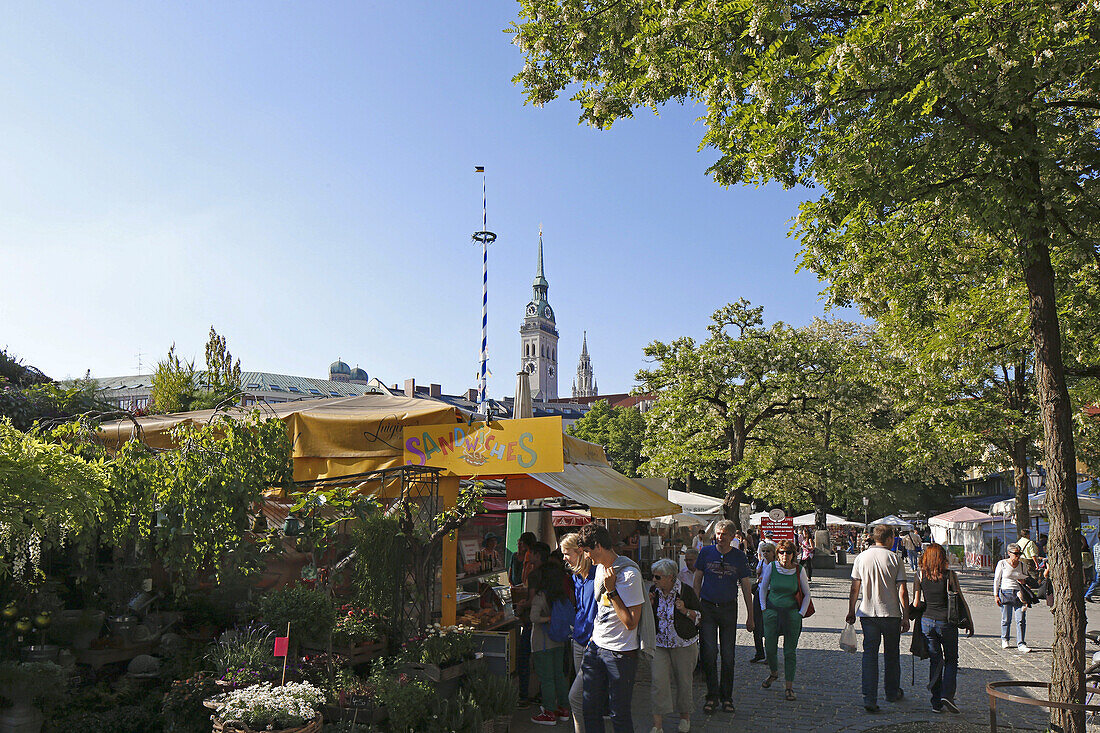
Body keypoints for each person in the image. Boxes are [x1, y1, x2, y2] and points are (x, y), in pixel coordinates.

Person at [577, 522, 652, 733]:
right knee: (590, 708)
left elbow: (631, 623)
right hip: (596, 648)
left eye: (588, 551)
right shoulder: (600, 569)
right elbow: (602, 610)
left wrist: (612, 591)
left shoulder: (629, 575)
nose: (587, 556)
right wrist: (593, 638)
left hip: (620, 653)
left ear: (598, 546)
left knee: (619, 713)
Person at [846, 524, 910, 713]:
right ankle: (891, 692)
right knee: (892, 655)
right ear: (889, 538)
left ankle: (869, 697)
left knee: (869, 656)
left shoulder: (861, 557)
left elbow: (854, 587)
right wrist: (906, 616)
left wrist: (851, 610)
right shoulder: (894, 559)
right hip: (890, 614)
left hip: (867, 614)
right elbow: (902, 591)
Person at [694, 519, 755, 715]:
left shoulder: (738, 557)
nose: (720, 537)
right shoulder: (705, 553)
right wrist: (695, 609)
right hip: (708, 608)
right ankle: (712, 696)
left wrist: (750, 616)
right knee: (709, 654)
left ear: (732, 537)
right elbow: (697, 581)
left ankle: (726, 697)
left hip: (729, 609)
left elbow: (746, 587)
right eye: (718, 534)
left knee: (728, 656)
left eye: (724, 534)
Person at [913, 543, 971, 714]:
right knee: (951, 659)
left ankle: (936, 702)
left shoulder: (920, 574)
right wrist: (969, 621)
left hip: (927, 622)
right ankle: (947, 694)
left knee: (935, 660)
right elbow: (959, 597)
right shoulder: (949, 575)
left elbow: (916, 603)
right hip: (946, 622)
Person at [648, 557, 701, 733]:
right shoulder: (653, 592)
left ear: (671, 577)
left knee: (684, 682)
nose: (654, 580)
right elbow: (647, 617)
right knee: (658, 682)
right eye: (653, 576)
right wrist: (648, 605)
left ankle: (685, 718)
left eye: (658, 577)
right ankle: (658, 725)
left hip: (683, 643)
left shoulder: (686, 592)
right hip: (660, 643)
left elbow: (700, 617)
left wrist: (685, 611)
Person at [759, 539, 812, 701]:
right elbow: (763, 588)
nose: (784, 556)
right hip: (772, 612)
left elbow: (807, 593)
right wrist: (764, 609)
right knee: (770, 647)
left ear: (793, 555)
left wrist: (800, 613)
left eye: (788, 552)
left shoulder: (799, 570)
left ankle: (789, 686)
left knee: (790, 651)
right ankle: (774, 673)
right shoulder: (771, 567)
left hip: (791, 613)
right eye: (781, 552)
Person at [561, 532, 602, 733]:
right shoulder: (577, 577)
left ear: (579, 552)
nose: (564, 558)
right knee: (584, 696)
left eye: (566, 553)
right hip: (578, 640)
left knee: (575, 696)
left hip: (593, 644)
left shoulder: (598, 574)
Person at [529, 560, 574, 725]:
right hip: (559, 642)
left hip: (542, 643)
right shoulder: (561, 595)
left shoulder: (541, 596)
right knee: (559, 676)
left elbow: (533, 618)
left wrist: (548, 619)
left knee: (546, 678)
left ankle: (548, 712)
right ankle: (563, 708)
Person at [994, 543, 1031, 652]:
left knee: (1020, 619)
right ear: (1009, 553)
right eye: (1015, 553)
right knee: (1006, 618)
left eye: (1019, 553)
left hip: (1019, 594)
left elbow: (1027, 579)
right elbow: (997, 579)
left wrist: (1024, 580)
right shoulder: (1002, 564)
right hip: (1006, 592)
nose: (1018, 556)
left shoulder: (1022, 565)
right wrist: (996, 594)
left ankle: (1021, 643)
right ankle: (1005, 639)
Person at [750, 543, 776, 664]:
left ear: (773, 553)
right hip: (760, 593)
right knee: (757, 623)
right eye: (763, 551)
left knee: (770, 625)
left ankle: (770, 654)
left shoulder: (776, 565)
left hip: (771, 594)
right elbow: (757, 576)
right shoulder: (761, 563)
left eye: (768, 551)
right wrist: (758, 574)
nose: (765, 553)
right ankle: (759, 652)